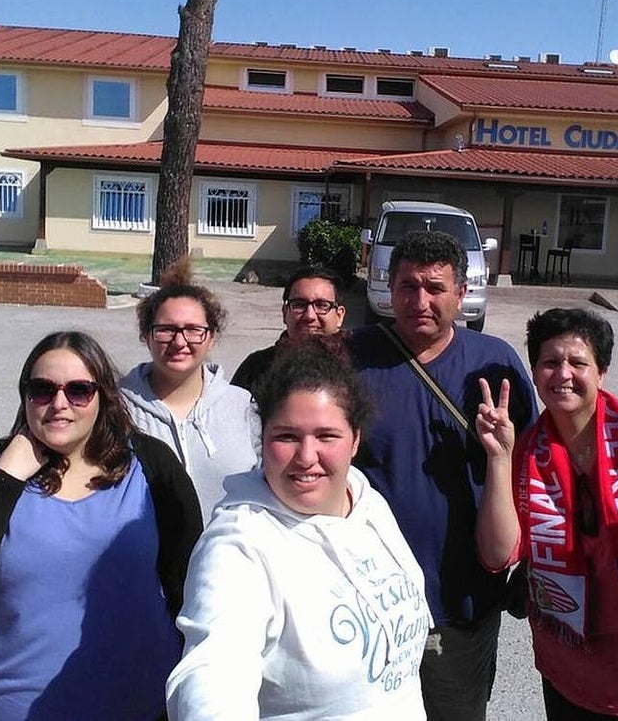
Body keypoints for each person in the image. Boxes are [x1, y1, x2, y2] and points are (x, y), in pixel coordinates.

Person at [0, 331, 202, 721]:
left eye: (79, 390)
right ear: (25, 395)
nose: (59, 404)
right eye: (43, 390)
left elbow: (189, 580)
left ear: (103, 396)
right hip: (6, 709)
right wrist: (6, 479)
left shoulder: (151, 464)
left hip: (139, 704)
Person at [166, 344, 431, 720]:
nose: (307, 457)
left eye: (326, 436)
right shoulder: (239, 547)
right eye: (287, 436)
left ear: (355, 440)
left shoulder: (365, 500)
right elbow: (213, 668)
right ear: (261, 438)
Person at [346, 229, 537, 721]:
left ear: (461, 293)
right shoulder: (350, 357)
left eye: (434, 288)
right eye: (408, 286)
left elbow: (533, 471)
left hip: (462, 599)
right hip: (364, 598)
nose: (420, 300)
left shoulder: (495, 363)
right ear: (389, 288)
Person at [474, 308, 618, 719]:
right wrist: (499, 458)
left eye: (578, 363)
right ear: (535, 373)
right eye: (550, 363)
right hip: (566, 668)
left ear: (602, 372)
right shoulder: (524, 452)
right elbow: (498, 555)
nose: (563, 374)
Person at [121, 260, 261, 521]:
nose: (179, 341)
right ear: (147, 335)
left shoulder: (242, 406)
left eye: (193, 330)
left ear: (211, 337)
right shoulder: (116, 408)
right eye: (166, 330)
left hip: (228, 556)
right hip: (147, 560)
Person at [231, 264, 347, 392]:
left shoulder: (360, 368)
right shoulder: (256, 368)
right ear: (285, 313)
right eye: (299, 305)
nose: (310, 316)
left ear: (339, 315)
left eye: (321, 305)